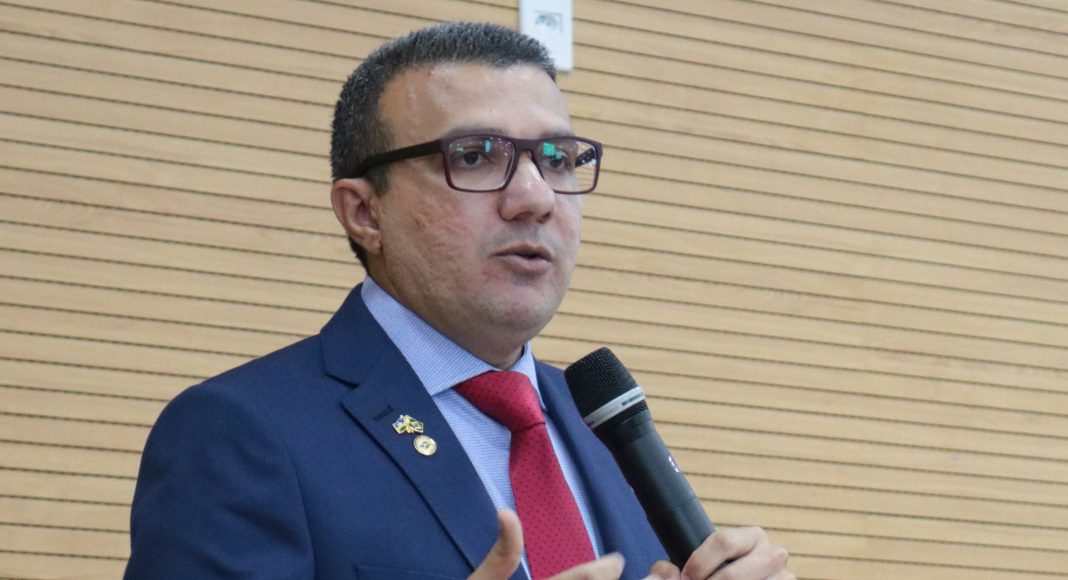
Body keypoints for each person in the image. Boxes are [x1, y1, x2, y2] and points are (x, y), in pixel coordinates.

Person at [125, 21, 793, 580]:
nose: (535, 197)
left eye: (557, 158)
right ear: (364, 212)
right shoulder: (240, 435)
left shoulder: (603, 427)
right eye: (474, 156)